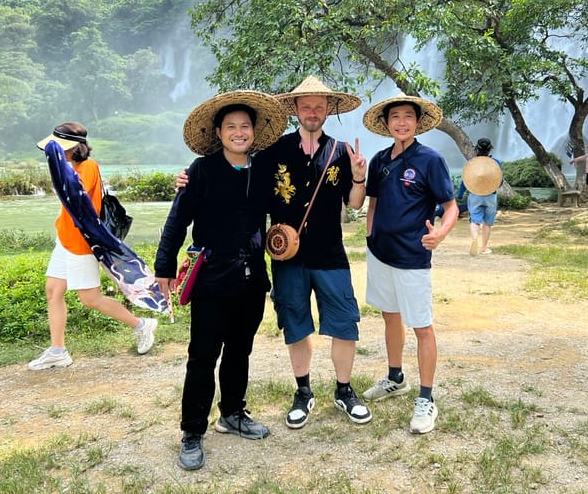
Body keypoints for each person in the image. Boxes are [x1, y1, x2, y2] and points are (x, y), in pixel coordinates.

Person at [154, 91, 287, 471]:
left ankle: (232, 413)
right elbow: (177, 221)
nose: (239, 132)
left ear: (254, 131)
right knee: (202, 356)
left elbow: (285, 206)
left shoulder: (263, 171)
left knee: (240, 351)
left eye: (245, 126)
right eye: (231, 127)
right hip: (212, 277)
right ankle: (192, 431)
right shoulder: (200, 171)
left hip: (252, 279)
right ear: (218, 131)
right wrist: (164, 267)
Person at [266, 76, 371, 429]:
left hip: (331, 254)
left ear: (328, 111)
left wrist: (358, 178)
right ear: (295, 110)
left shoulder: (341, 151)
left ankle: (343, 390)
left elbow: (354, 206)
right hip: (287, 258)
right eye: (306, 106)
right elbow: (244, 190)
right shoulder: (274, 152)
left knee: (344, 324)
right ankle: (303, 392)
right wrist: (191, 180)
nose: (313, 112)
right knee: (295, 324)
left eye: (319, 107)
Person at [361, 96, 459, 434]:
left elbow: (451, 206)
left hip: (413, 257)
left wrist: (440, 234)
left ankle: (426, 398)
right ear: (387, 123)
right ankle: (395, 377)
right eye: (395, 117)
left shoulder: (430, 160)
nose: (401, 122)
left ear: (417, 123)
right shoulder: (378, 161)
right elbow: (372, 202)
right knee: (390, 316)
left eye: (407, 117)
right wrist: (370, 235)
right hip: (380, 254)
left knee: (421, 326)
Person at [29, 123, 157, 371]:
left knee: (90, 299)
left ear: (75, 148)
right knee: (53, 291)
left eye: (62, 148)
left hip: (80, 244)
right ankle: (58, 351)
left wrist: (60, 168)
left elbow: (78, 195)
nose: (60, 153)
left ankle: (142, 325)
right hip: (64, 239)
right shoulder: (73, 166)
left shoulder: (88, 167)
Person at [467, 138, 502, 256]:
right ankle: (484, 247)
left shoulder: (472, 162)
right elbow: (500, 181)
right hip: (491, 196)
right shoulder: (496, 162)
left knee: (474, 220)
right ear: (490, 149)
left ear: (477, 149)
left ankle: (474, 240)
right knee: (487, 222)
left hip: (475, 195)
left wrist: (460, 194)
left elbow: (466, 180)